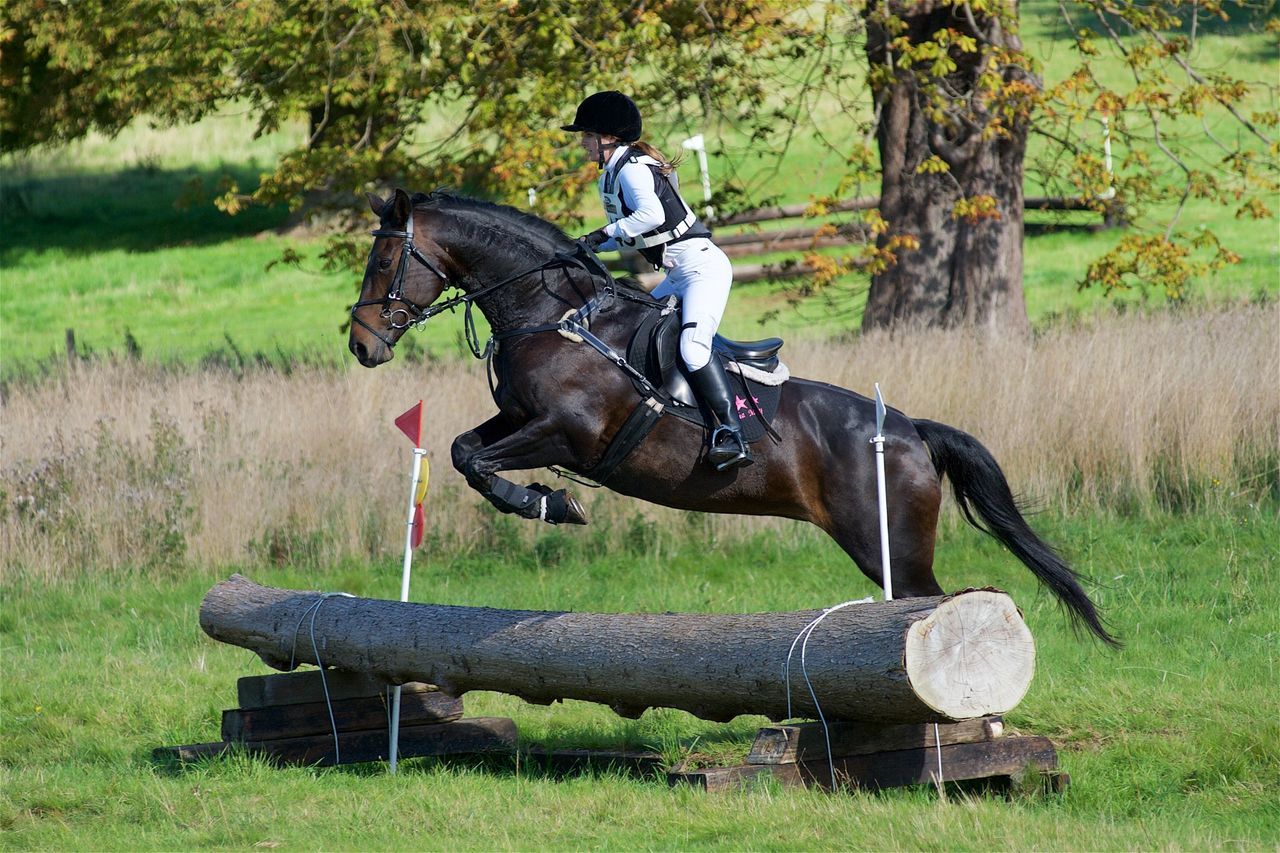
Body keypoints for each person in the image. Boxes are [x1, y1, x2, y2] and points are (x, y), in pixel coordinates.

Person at [562, 90, 751, 472]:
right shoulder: (612, 175)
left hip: (702, 269)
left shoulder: (632, 168)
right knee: (639, 330)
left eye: (586, 136)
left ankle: (731, 433)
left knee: (694, 349)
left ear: (607, 137)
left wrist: (600, 235)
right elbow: (632, 232)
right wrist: (587, 247)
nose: (582, 144)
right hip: (678, 273)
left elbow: (648, 215)